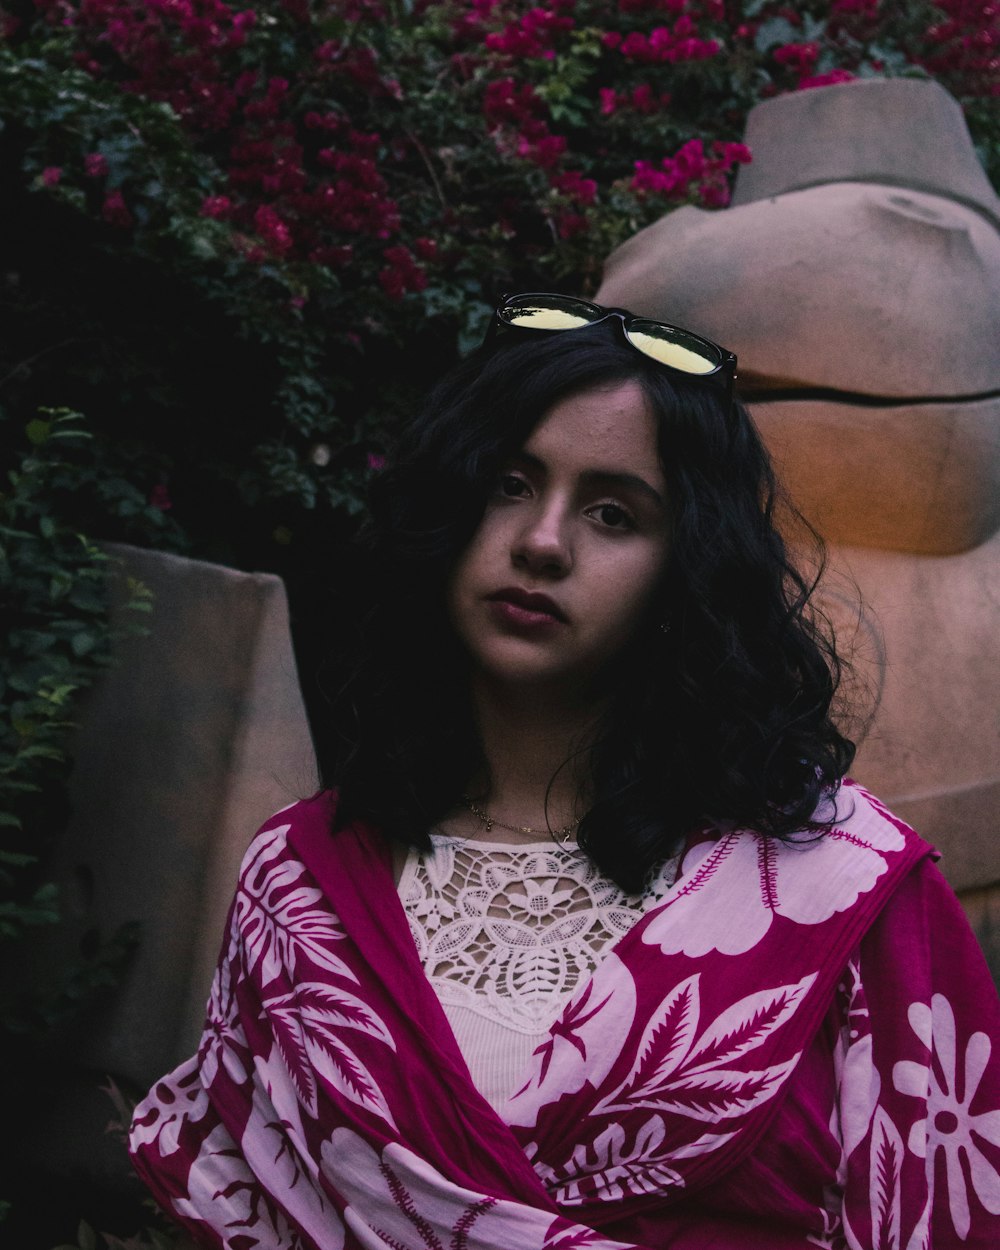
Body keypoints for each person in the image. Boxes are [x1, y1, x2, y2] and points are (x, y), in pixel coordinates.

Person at [129, 294, 1000, 1248]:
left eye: (613, 513)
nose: (543, 541)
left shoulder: (842, 886)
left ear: (685, 571)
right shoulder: (299, 884)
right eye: (509, 483)